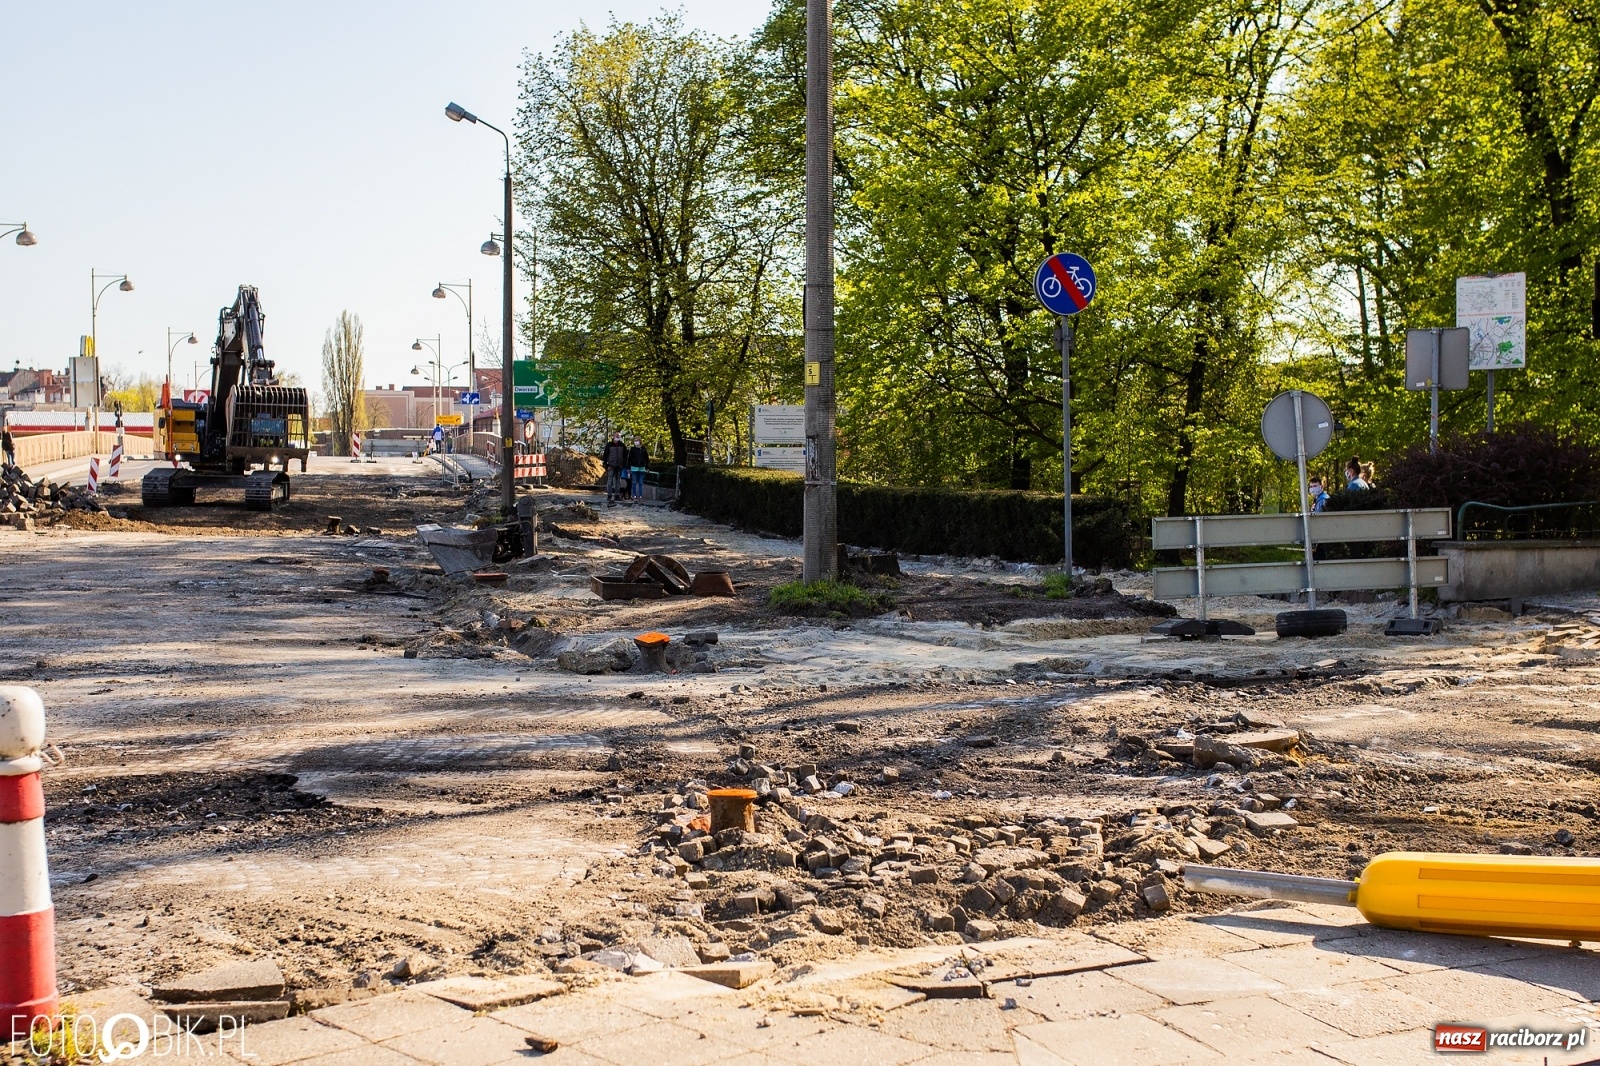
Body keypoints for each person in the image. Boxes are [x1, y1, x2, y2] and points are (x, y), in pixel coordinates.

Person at [601, 431, 627, 504]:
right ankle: (609, 495)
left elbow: (625, 456)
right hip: (611, 466)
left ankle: (617, 495)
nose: (617, 437)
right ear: (613, 436)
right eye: (616, 436)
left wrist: (623, 464)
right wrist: (606, 465)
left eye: (619, 436)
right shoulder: (609, 445)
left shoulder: (622, 445)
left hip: (619, 466)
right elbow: (605, 455)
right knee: (610, 481)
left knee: (618, 481)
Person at [627, 437, 648, 501]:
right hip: (634, 468)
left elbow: (647, 459)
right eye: (635, 441)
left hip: (641, 468)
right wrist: (628, 468)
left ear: (640, 441)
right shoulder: (632, 449)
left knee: (641, 483)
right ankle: (634, 495)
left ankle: (640, 496)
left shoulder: (643, 449)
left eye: (637, 440)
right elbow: (629, 459)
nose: (636, 442)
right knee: (634, 482)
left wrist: (647, 467)